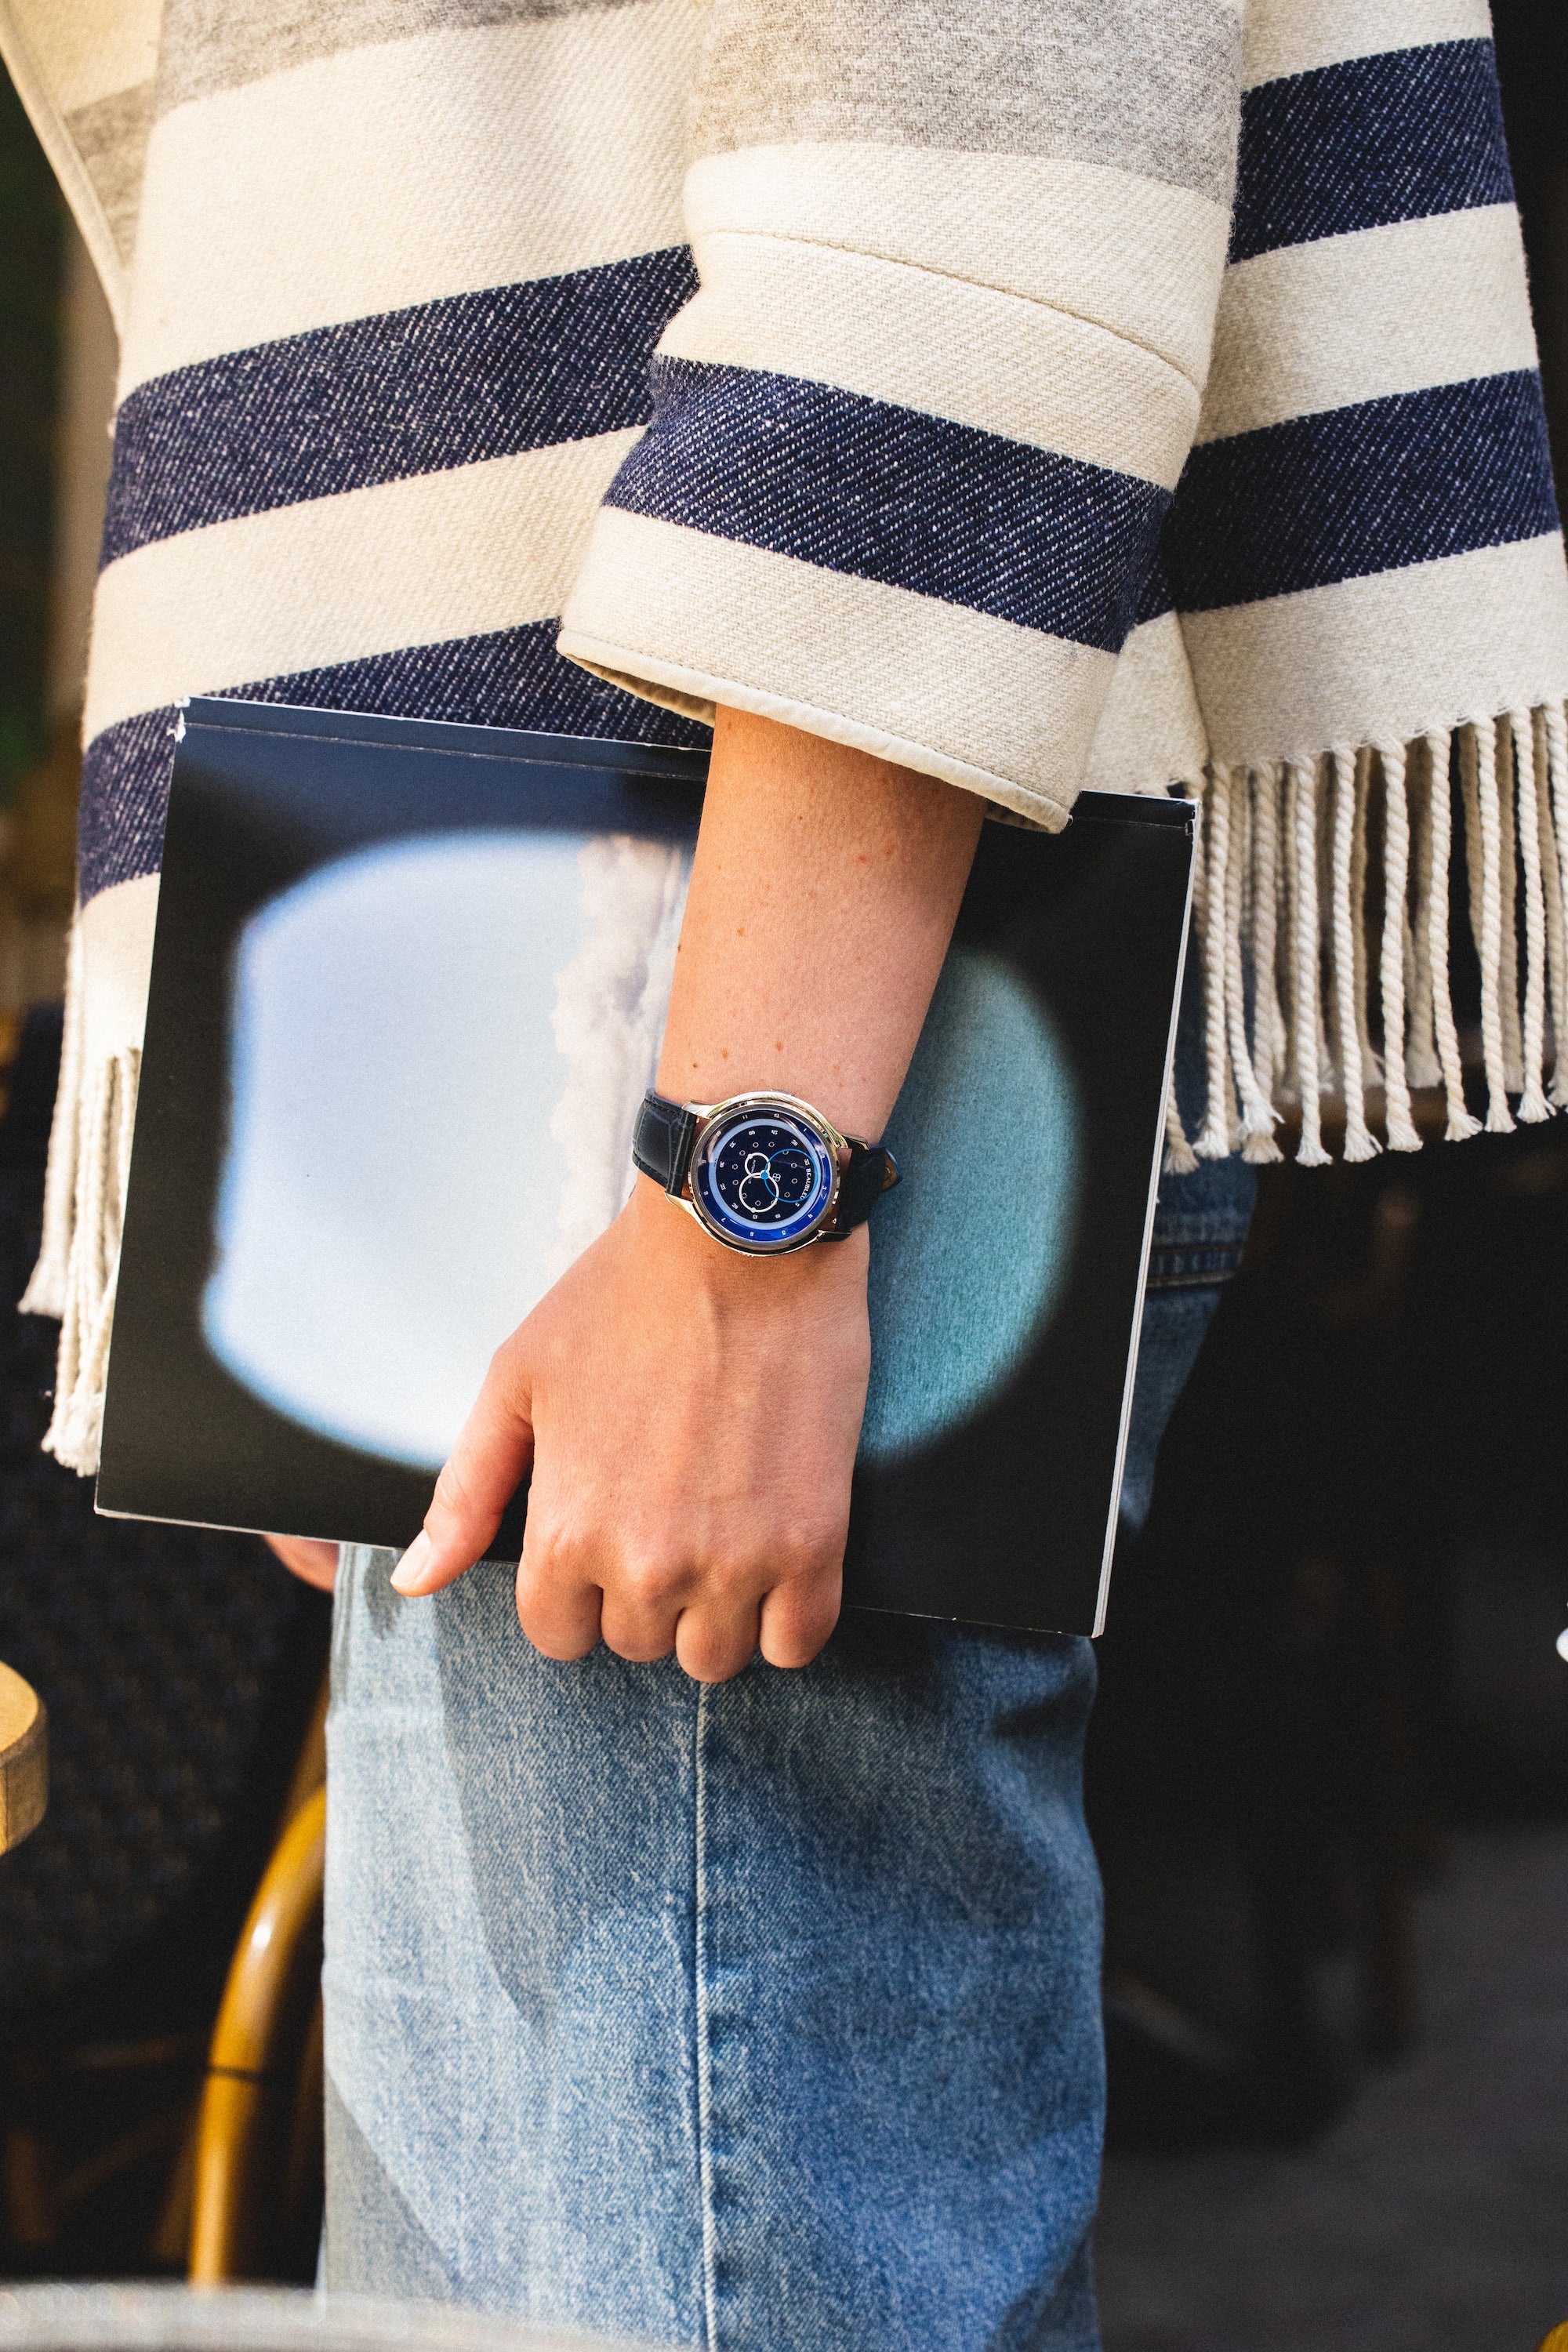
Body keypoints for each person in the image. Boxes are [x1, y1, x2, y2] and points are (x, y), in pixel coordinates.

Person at [6, 0, 1564, 2343]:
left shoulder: (732, 1141)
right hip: (586, 985)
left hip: (731, 1007)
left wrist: (747, 1187)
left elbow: (982, 118)